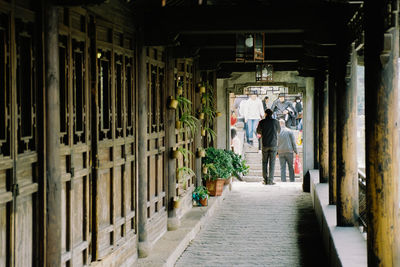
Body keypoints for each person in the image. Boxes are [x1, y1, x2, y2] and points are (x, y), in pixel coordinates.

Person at [256, 109, 281, 185]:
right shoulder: (276, 122)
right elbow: (279, 131)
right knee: (272, 163)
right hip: (273, 145)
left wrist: (264, 132)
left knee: (264, 162)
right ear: (272, 114)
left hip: (265, 144)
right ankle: (270, 181)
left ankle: (265, 180)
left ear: (265, 114)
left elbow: (258, 131)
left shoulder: (262, 122)